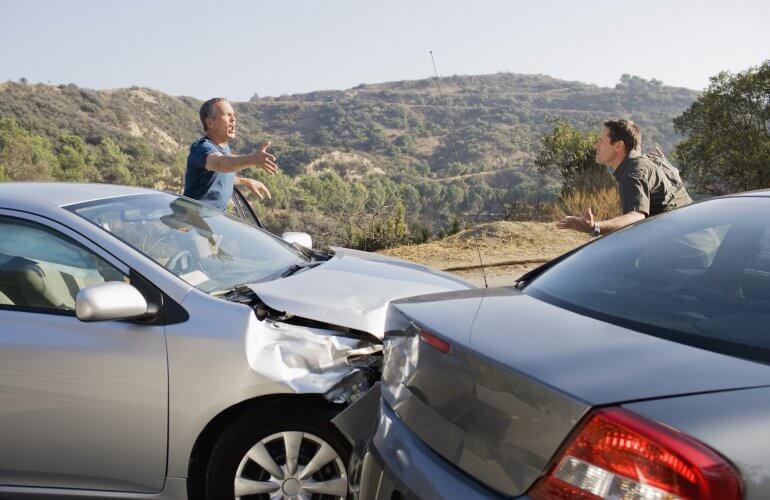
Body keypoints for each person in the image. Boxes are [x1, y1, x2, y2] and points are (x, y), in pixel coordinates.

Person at [557, 119, 692, 236]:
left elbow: (637, 217)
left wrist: (595, 227)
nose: (596, 146)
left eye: (601, 141)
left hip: (680, 249)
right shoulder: (653, 160)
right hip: (698, 235)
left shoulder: (633, 173)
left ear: (618, 146)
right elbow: (675, 176)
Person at [184, 97, 278, 211]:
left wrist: (245, 181)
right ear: (210, 122)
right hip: (192, 223)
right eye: (227, 115)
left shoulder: (225, 148)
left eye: (233, 115)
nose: (233, 119)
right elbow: (220, 163)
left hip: (212, 223)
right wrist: (252, 159)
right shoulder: (202, 148)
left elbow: (219, 175)